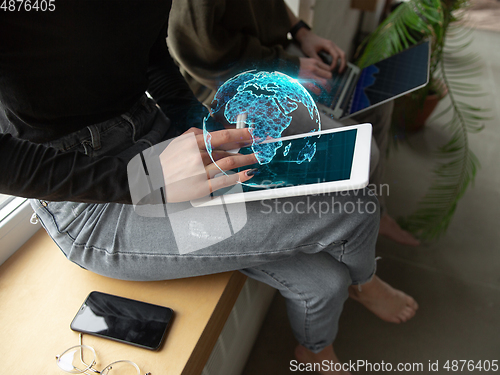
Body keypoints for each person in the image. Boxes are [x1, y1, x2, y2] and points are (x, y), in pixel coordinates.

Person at [0, 2, 417, 374]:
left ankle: (315, 347)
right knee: (354, 210)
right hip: (91, 198)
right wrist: (145, 181)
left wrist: (196, 121)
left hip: (160, 132)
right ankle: (364, 282)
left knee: (325, 277)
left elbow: (148, 50)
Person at [167, 0, 421, 246]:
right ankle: (353, 252)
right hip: (231, 85)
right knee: (363, 153)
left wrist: (301, 31)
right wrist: (287, 65)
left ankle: (376, 210)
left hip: (275, 54)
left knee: (379, 98)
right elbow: (199, 49)